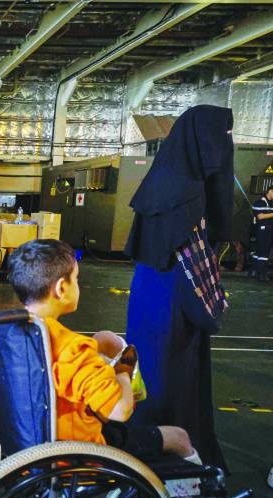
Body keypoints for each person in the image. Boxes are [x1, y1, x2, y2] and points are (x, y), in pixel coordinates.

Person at [7, 239, 201, 465]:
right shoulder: (73, 349)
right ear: (61, 288)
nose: (77, 285)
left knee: (103, 340)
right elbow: (120, 411)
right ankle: (196, 493)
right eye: (76, 279)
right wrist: (122, 372)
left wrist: (97, 356)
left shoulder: (15, 332)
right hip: (78, 449)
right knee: (179, 437)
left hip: (29, 440)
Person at [125, 105, 233, 470]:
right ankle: (173, 463)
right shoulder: (190, 196)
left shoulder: (162, 181)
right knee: (175, 387)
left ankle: (144, 451)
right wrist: (212, 311)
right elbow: (195, 269)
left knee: (149, 380)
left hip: (147, 301)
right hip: (176, 307)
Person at [249, 185, 273, 280]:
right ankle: (261, 274)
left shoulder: (270, 204)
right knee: (263, 252)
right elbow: (260, 216)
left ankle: (253, 272)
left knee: (260, 252)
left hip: (269, 230)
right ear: (270, 191)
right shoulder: (259, 202)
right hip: (262, 230)